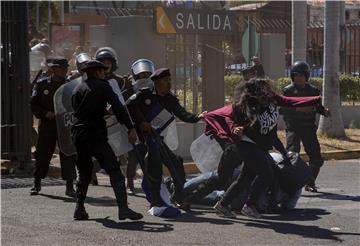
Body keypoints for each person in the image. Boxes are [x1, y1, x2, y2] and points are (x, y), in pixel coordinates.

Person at [182, 78, 329, 218]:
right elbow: (226, 118)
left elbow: (291, 104)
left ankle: (222, 204)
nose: (266, 93)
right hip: (240, 147)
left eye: (266, 89)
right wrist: (234, 129)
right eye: (262, 91)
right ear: (254, 94)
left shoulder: (273, 100)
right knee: (226, 178)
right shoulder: (244, 107)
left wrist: (316, 102)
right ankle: (244, 205)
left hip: (255, 149)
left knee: (245, 179)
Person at [71, 60, 143, 221]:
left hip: (79, 134)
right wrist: (130, 127)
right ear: (97, 72)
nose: (104, 73)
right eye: (102, 71)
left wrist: (102, 111)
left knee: (84, 172)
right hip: (95, 134)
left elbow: (80, 110)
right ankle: (123, 209)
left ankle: (79, 208)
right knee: (114, 170)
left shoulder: (78, 88)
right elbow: (118, 106)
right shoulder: (103, 86)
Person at [127, 67, 206, 208]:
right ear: (156, 83)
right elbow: (129, 106)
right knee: (146, 164)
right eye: (165, 80)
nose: (169, 83)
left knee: (175, 162)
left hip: (157, 138)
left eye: (170, 80)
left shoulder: (170, 99)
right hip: (141, 138)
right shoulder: (145, 95)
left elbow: (182, 113)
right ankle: (153, 197)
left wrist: (197, 117)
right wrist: (141, 122)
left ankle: (179, 197)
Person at [30, 57, 77, 197]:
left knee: (68, 154)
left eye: (65, 68)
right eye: (61, 68)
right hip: (47, 125)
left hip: (65, 126)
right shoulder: (42, 84)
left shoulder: (70, 85)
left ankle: (70, 186)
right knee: (43, 154)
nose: (64, 71)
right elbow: (33, 104)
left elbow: (75, 104)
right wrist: (45, 113)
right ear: (53, 69)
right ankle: (36, 183)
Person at [95, 47, 139, 194]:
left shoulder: (121, 81)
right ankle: (90, 177)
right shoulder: (93, 80)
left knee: (132, 152)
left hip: (120, 122)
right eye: (102, 62)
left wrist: (128, 90)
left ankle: (130, 182)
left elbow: (130, 100)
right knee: (98, 152)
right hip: (101, 122)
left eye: (108, 62)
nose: (106, 65)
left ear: (113, 63)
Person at [280, 61, 327, 192]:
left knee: (316, 158)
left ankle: (310, 182)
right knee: (291, 155)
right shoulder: (288, 91)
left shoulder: (313, 90)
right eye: (296, 75)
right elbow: (282, 110)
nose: (299, 78)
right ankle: (289, 185)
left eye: (301, 75)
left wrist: (324, 111)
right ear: (292, 76)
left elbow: (318, 107)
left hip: (308, 127)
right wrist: (298, 110)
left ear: (306, 76)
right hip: (293, 127)